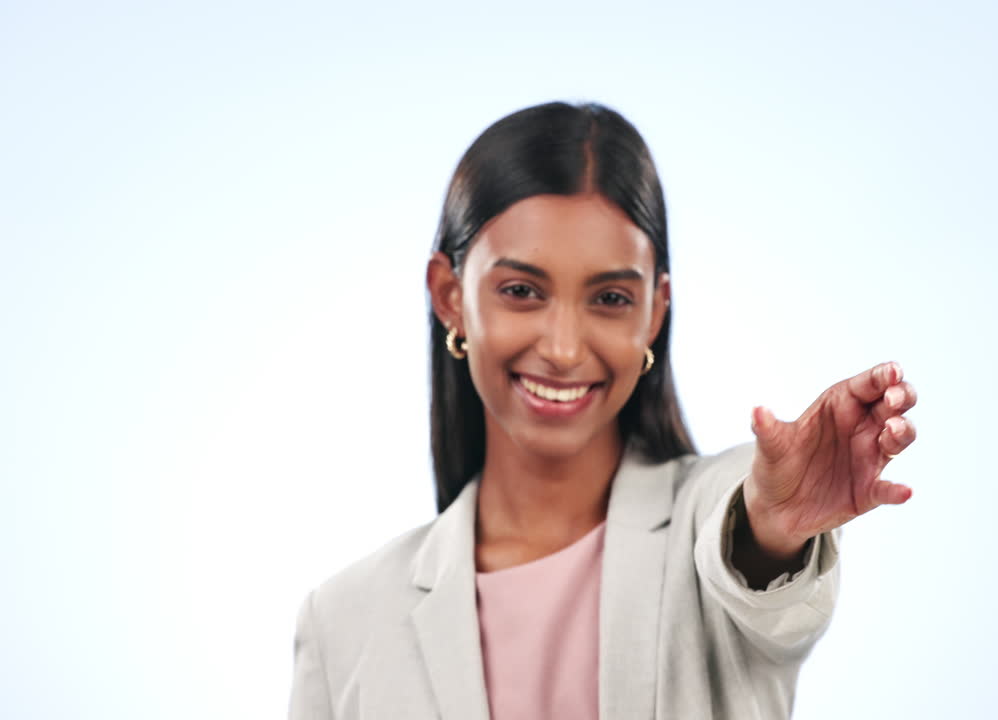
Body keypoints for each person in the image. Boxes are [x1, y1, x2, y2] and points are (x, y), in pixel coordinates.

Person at [287, 101, 918, 720]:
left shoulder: (714, 522)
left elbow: (748, 553)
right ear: (449, 297)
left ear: (655, 312)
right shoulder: (344, 621)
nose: (563, 349)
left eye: (611, 297)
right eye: (521, 291)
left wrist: (775, 533)